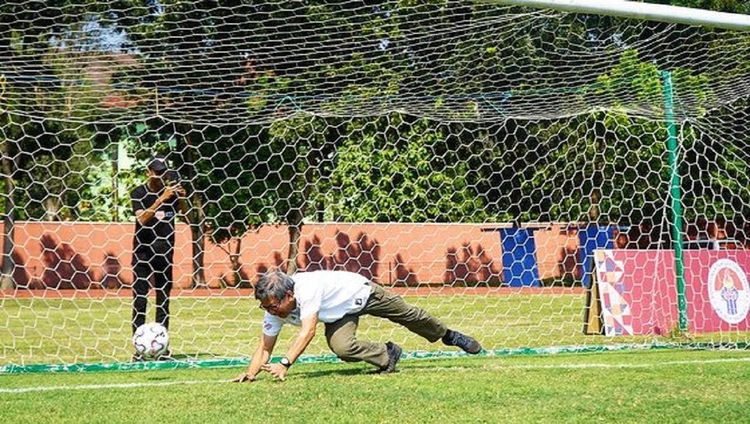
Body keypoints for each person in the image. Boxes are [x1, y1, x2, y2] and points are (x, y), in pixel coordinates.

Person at [233, 270, 482, 382]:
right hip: (339, 314)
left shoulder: (307, 289)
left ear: (289, 295)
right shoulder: (273, 309)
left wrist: (285, 364)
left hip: (361, 294)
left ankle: (448, 335)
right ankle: (388, 355)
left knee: (409, 315)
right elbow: (264, 346)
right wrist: (251, 373)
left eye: (273, 306)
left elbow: (308, 331)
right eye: (265, 307)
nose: (270, 311)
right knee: (342, 347)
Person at [130, 156, 187, 361]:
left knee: (163, 302)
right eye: (157, 172)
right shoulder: (139, 192)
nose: (160, 176)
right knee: (140, 300)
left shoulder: (171, 195)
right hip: (143, 254)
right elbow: (142, 219)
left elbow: (188, 217)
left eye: (163, 172)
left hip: (165, 254)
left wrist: (181, 198)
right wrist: (161, 199)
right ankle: (139, 349)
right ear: (148, 172)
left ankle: (162, 349)